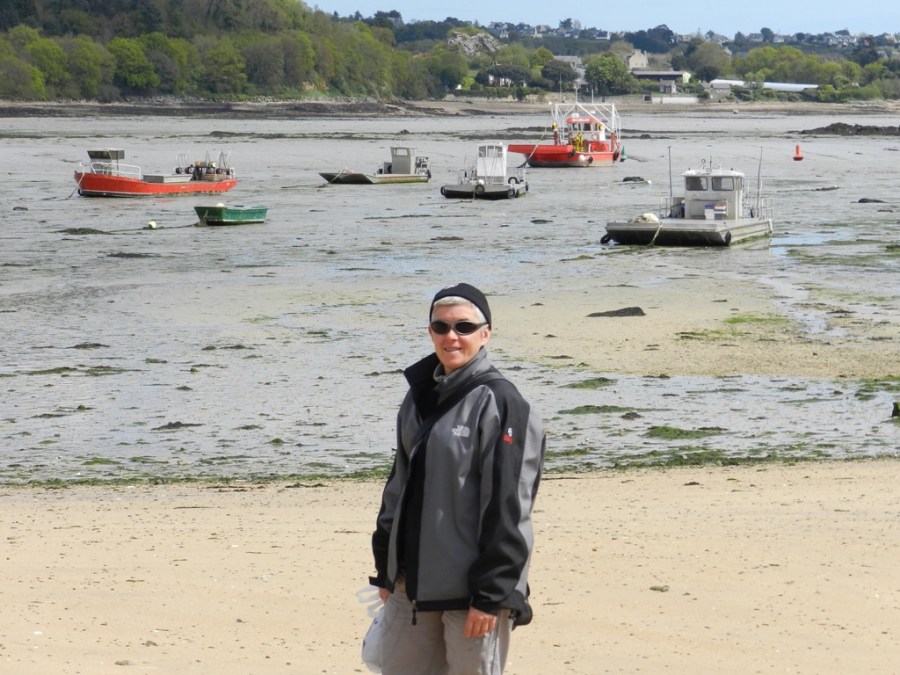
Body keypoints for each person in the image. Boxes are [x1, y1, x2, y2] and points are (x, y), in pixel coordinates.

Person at [370, 283, 545, 674]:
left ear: (485, 334)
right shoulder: (417, 398)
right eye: (441, 326)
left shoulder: (501, 402)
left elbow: (509, 505)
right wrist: (385, 568)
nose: (451, 336)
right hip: (409, 588)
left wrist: (492, 594)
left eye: (464, 327)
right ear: (430, 332)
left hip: (472, 595)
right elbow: (398, 488)